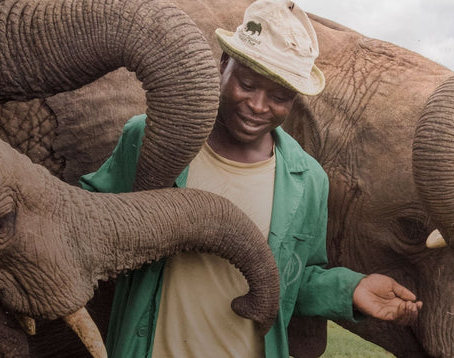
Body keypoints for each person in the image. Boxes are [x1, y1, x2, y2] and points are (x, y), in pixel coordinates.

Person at [80, 0, 422, 356]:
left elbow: (292, 277)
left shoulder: (308, 181)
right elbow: (90, 223)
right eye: (246, 84)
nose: (258, 106)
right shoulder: (153, 136)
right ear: (224, 64)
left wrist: (351, 289)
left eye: (279, 96)